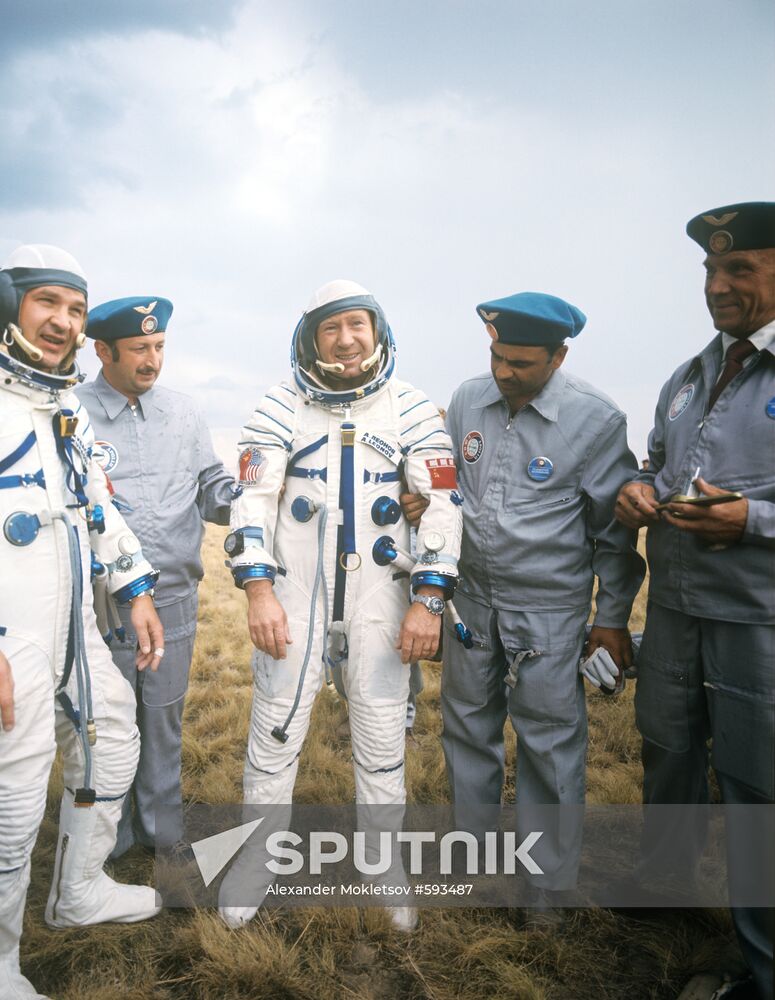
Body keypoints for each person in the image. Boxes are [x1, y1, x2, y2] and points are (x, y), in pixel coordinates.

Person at [218, 279, 463, 929]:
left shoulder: (413, 411)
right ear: (310, 339)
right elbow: (250, 505)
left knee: (382, 739)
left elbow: (443, 503)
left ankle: (384, 863)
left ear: (378, 332)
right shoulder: (276, 409)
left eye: (358, 324)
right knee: (273, 733)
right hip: (292, 597)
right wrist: (259, 590)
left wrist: (430, 599)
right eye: (332, 328)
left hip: (383, 601)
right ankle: (255, 861)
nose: (347, 339)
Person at [403, 291, 645, 894]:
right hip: (472, 602)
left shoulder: (597, 419)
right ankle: (473, 862)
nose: (504, 373)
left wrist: (610, 618)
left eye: (522, 363)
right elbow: (446, 488)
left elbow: (613, 534)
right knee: (465, 728)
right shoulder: (465, 401)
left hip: (550, 611)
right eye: (497, 357)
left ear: (558, 358)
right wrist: (422, 506)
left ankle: (547, 886)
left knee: (548, 743)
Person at [615, 201, 775, 999]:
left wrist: (752, 519)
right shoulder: (687, 377)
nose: (716, 285)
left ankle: (763, 964)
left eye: (738, 269)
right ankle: (664, 884)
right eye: (709, 271)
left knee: (755, 785)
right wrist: (639, 489)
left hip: (759, 620)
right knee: (667, 751)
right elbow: (653, 461)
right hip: (675, 612)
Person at [0, 245, 164, 1000]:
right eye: (47, 304)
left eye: (74, 308)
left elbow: (98, 502)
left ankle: (79, 891)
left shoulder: (61, 404)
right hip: (11, 634)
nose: (63, 322)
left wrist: (134, 589)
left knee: (114, 737)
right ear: (11, 305)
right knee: (16, 792)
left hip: (72, 625)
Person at [78, 297, 234, 856]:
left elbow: (212, 485)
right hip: (102, 607)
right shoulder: (69, 413)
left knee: (164, 718)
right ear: (103, 350)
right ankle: (108, 836)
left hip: (173, 597)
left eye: (159, 347)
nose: (152, 360)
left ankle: (161, 826)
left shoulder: (186, 412)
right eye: (139, 348)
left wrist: (252, 503)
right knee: (106, 724)